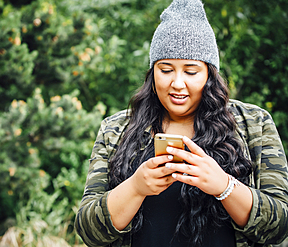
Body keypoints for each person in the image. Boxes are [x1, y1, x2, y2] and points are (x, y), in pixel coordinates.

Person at [74, 0, 288, 246]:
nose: (177, 83)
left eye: (190, 71)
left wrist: (223, 185)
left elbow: (279, 227)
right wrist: (135, 187)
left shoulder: (254, 124)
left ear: (209, 73)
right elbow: (89, 232)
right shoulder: (116, 130)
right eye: (165, 70)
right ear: (152, 72)